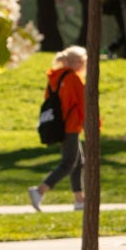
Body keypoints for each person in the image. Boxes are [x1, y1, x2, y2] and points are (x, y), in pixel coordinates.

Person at [28, 46, 88, 212]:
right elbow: (82, 103)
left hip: (60, 124)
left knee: (78, 163)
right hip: (71, 125)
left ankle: (79, 200)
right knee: (68, 163)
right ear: (76, 62)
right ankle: (40, 191)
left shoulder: (55, 78)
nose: (84, 65)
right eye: (83, 62)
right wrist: (93, 124)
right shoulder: (74, 78)